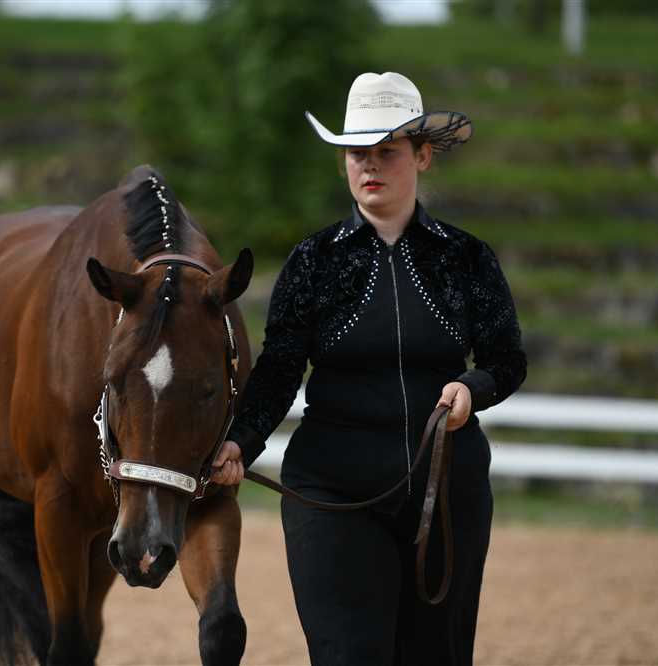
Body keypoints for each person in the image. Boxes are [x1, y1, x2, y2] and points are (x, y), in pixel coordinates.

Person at [209, 72, 527, 665]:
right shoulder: (311, 261)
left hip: (446, 490)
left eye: (388, 150)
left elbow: (506, 359)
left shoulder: (467, 257)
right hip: (331, 490)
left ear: (422, 156)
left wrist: (472, 387)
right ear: (344, 163)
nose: (370, 164)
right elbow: (280, 368)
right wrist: (240, 441)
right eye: (358, 152)